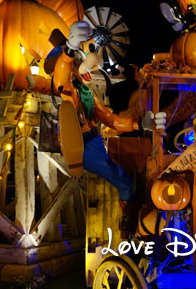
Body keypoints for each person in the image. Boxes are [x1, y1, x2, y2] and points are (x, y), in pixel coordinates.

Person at [48, 21, 166, 237]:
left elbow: (110, 119)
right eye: (77, 62)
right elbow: (61, 74)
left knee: (133, 180)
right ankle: (130, 233)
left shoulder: (87, 95)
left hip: (94, 142)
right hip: (81, 145)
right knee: (125, 183)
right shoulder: (64, 90)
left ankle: (138, 227)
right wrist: (69, 50)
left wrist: (139, 125)